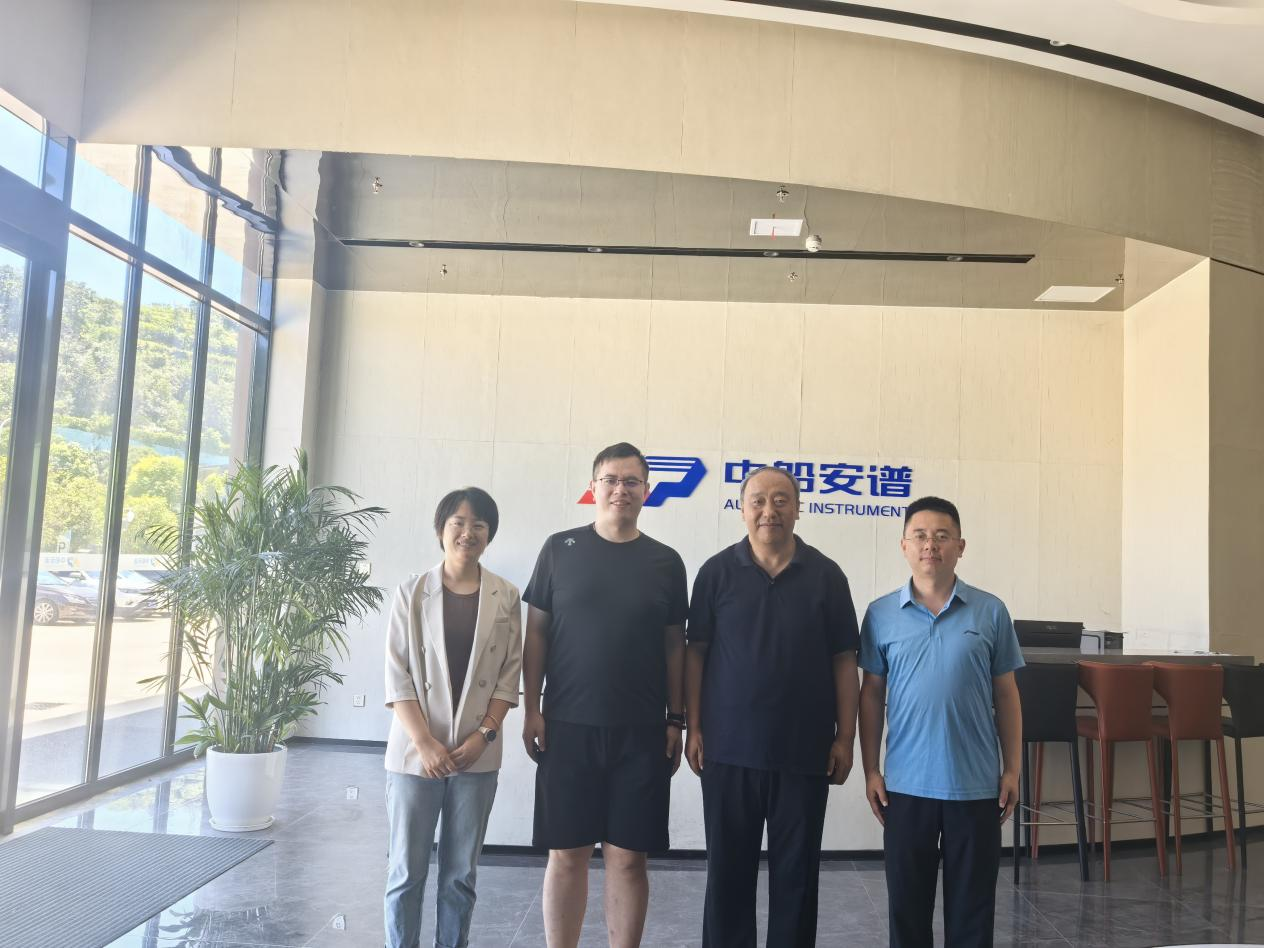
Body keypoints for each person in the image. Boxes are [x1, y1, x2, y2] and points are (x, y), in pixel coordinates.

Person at [684, 465, 860, 948]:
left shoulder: (826, 576)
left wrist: (845, 738)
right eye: (758, 500)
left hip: (805, 752)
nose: (769, 510)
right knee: (727, 878)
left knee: (797, 881)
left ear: (798, 509)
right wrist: (694, 727)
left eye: (781, 500)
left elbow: (845, 660)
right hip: (728, 751)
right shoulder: (716, 572)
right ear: (742, 509)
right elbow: (695, 653)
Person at [521, 442, 688, 948]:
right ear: (593, 487)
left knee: (629, 858)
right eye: (610, 479)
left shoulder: (666, 561)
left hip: (641, 731)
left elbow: (675, 646)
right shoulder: (559, 549)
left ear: (647, 491)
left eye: (631, 481)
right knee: (566, 854)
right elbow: (536, 634)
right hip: (567, 725)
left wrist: (676, 718)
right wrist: (532, 709)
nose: (620, 489)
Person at [858, 496, 1024, 948]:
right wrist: (871, 769)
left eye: (942, 536)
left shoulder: (990, 611)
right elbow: (871, 695)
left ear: (960, 546)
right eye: (920, 535)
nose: (930, 545)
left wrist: (1012, 769)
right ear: (904, 545)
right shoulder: (880, 614)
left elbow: (1007, 694)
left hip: (975, 785)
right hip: (906, 785)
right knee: (907, 910)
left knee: (973, 912)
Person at [382, 487, 522, 948]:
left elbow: (508, 678)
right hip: (415, 754)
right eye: (458, 523)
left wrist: (484, 735)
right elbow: (398, 676)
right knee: (406, 872)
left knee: (461, 875)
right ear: (441, 530)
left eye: (478, 524)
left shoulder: (506, 595)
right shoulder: (411, 592)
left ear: (489, 534)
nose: (468, 532)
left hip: (475, 755)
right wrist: (424, 743)